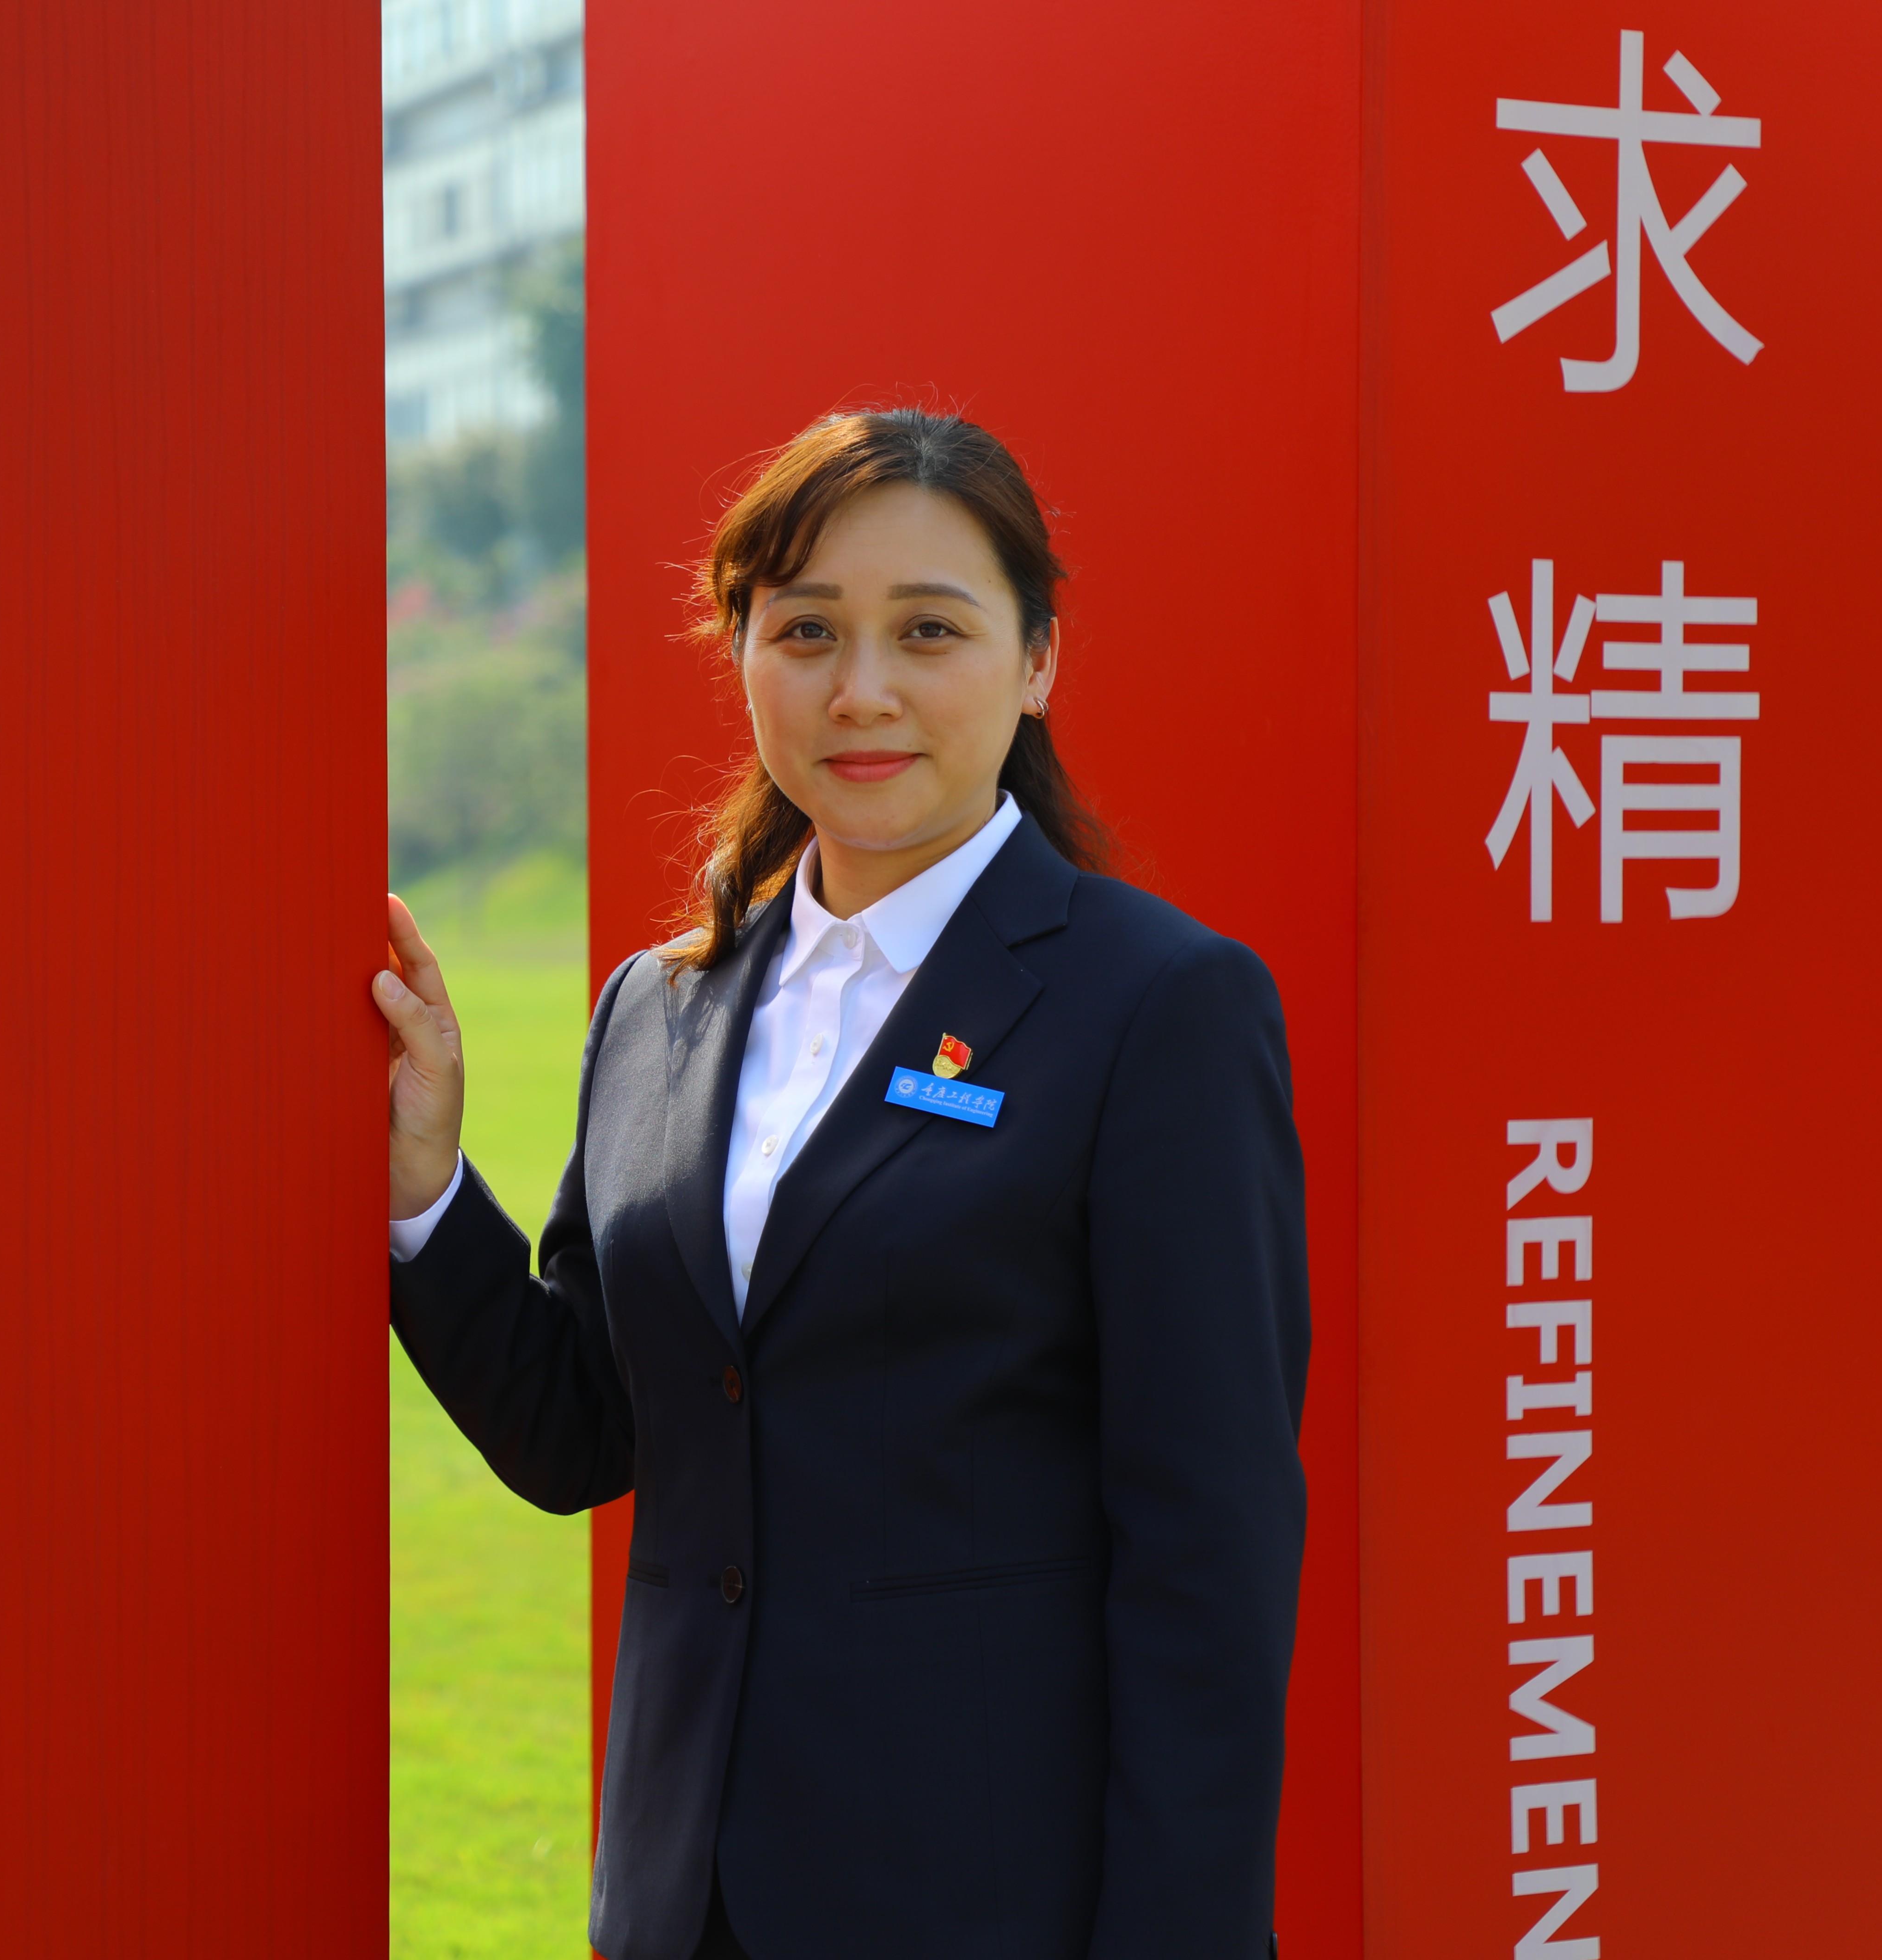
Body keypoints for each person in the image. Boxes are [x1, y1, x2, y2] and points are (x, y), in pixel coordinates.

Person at [374, 407, 1307, 1960]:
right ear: (742, 652)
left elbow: (1208, 1558)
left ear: (1037, 662)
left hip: (990, 1911)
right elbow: (579, 1427)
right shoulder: (658, 1009)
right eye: (805, 630)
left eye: (929, 630)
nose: (860, 690)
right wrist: (426, 1189)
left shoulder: (1156, 1007)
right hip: (681, 1905)